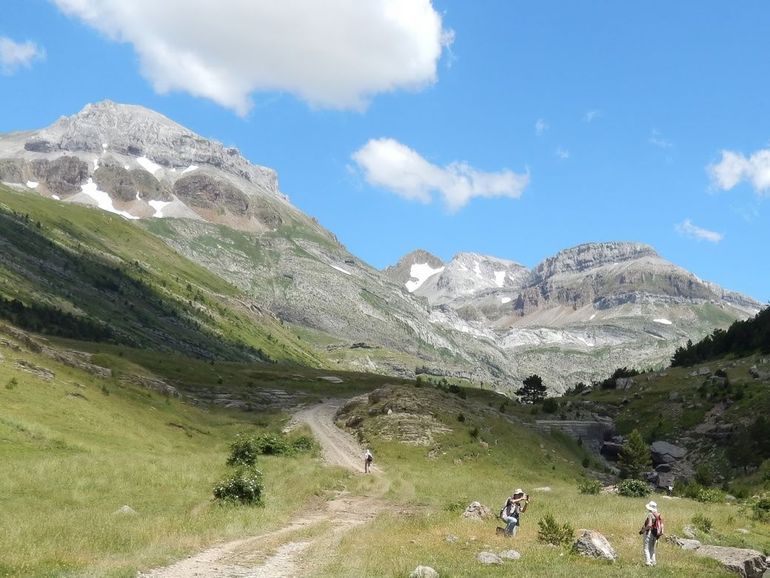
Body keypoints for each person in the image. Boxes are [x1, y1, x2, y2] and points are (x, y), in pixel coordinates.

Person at [639, 500, 661, 566]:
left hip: (649, 533)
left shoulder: (650, 514)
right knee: (652, 549)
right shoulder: (658, 515)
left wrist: (642, 531)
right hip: (655, 534)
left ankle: (648, 562)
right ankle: (653, 562)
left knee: (646, 548)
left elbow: (649, 525)